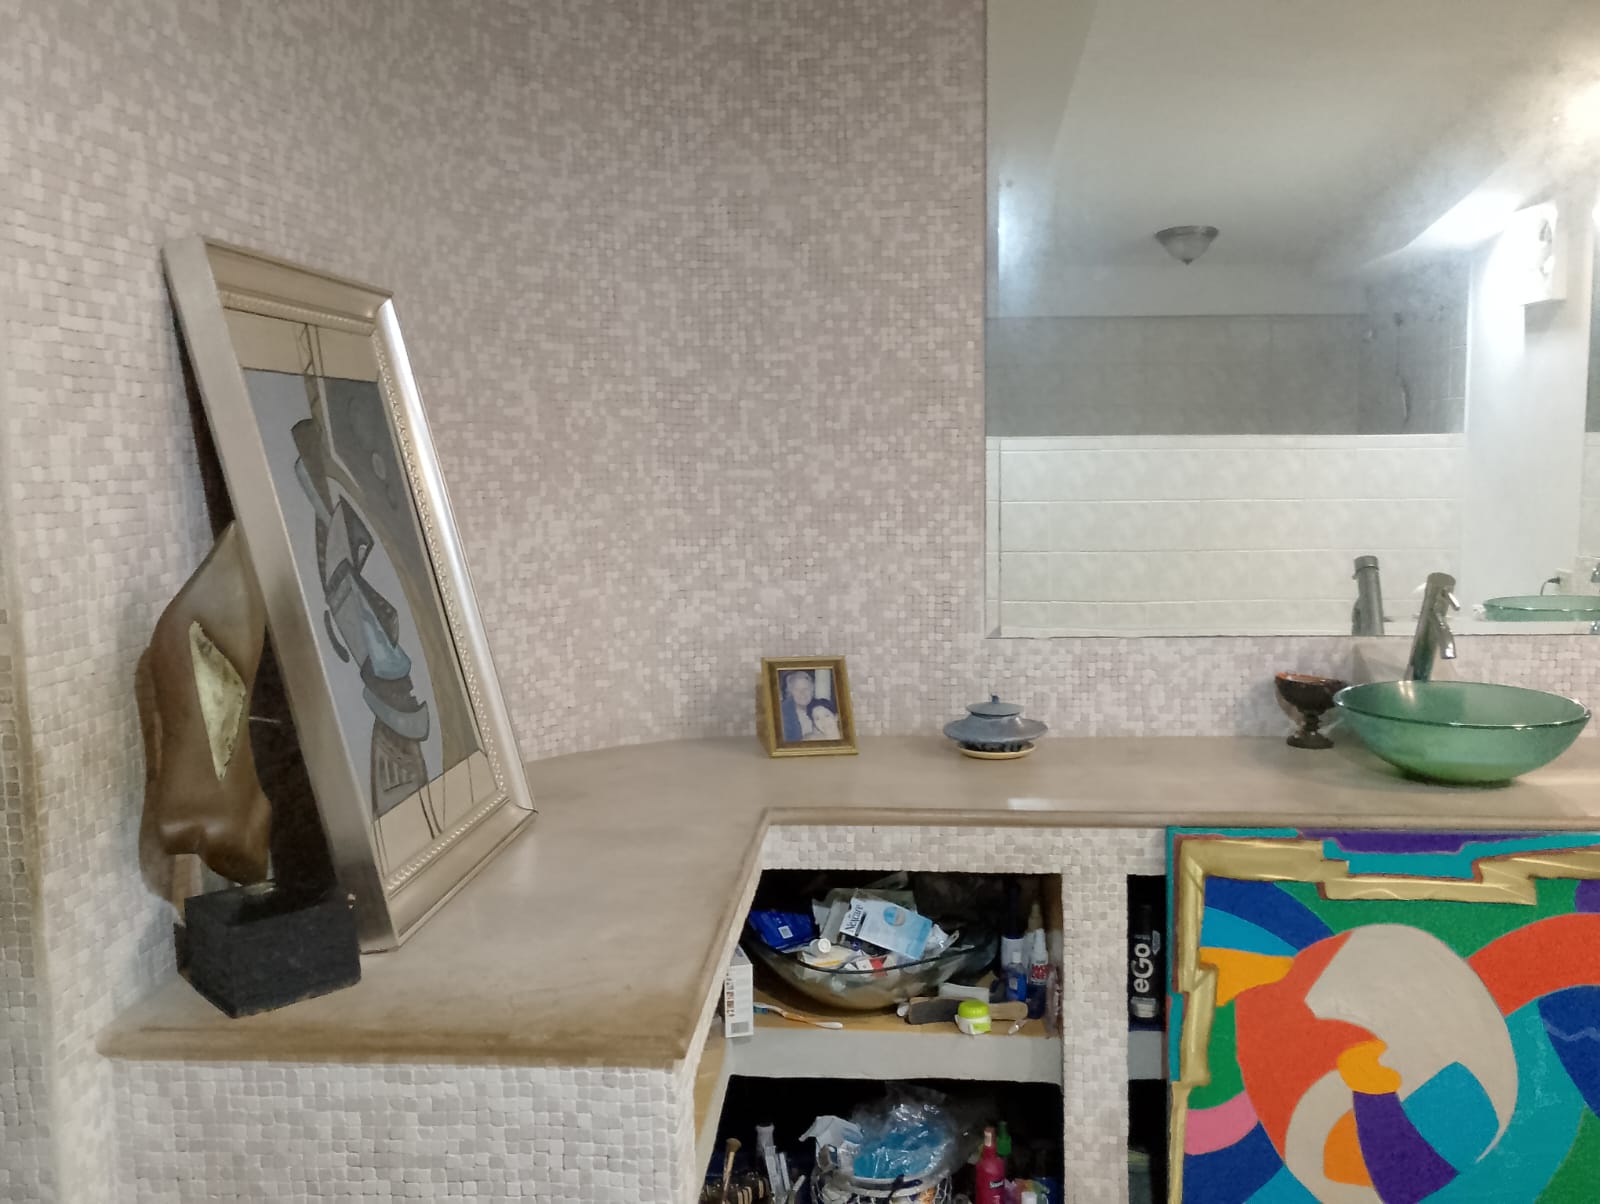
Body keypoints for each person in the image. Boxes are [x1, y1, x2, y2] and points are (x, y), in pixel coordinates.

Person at [779, 670, 817, 741]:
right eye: (796, 689)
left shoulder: (821, 707)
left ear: (812, 690)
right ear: (790, 692)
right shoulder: (782, 714)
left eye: (806, 689)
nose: (802, 693)